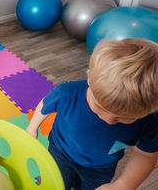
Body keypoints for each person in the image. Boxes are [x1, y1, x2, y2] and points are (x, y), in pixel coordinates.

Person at [26, 38, 158, 190]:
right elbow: (45, 105)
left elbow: (146, 154)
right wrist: (32, 128)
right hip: (61, 152)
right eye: (100, 107)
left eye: (125, 117)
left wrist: (124, 184)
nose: (109, 120)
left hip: (100, 169)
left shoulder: (151, 120)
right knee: (58, 183)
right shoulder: (67, 94)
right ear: (89, 78)